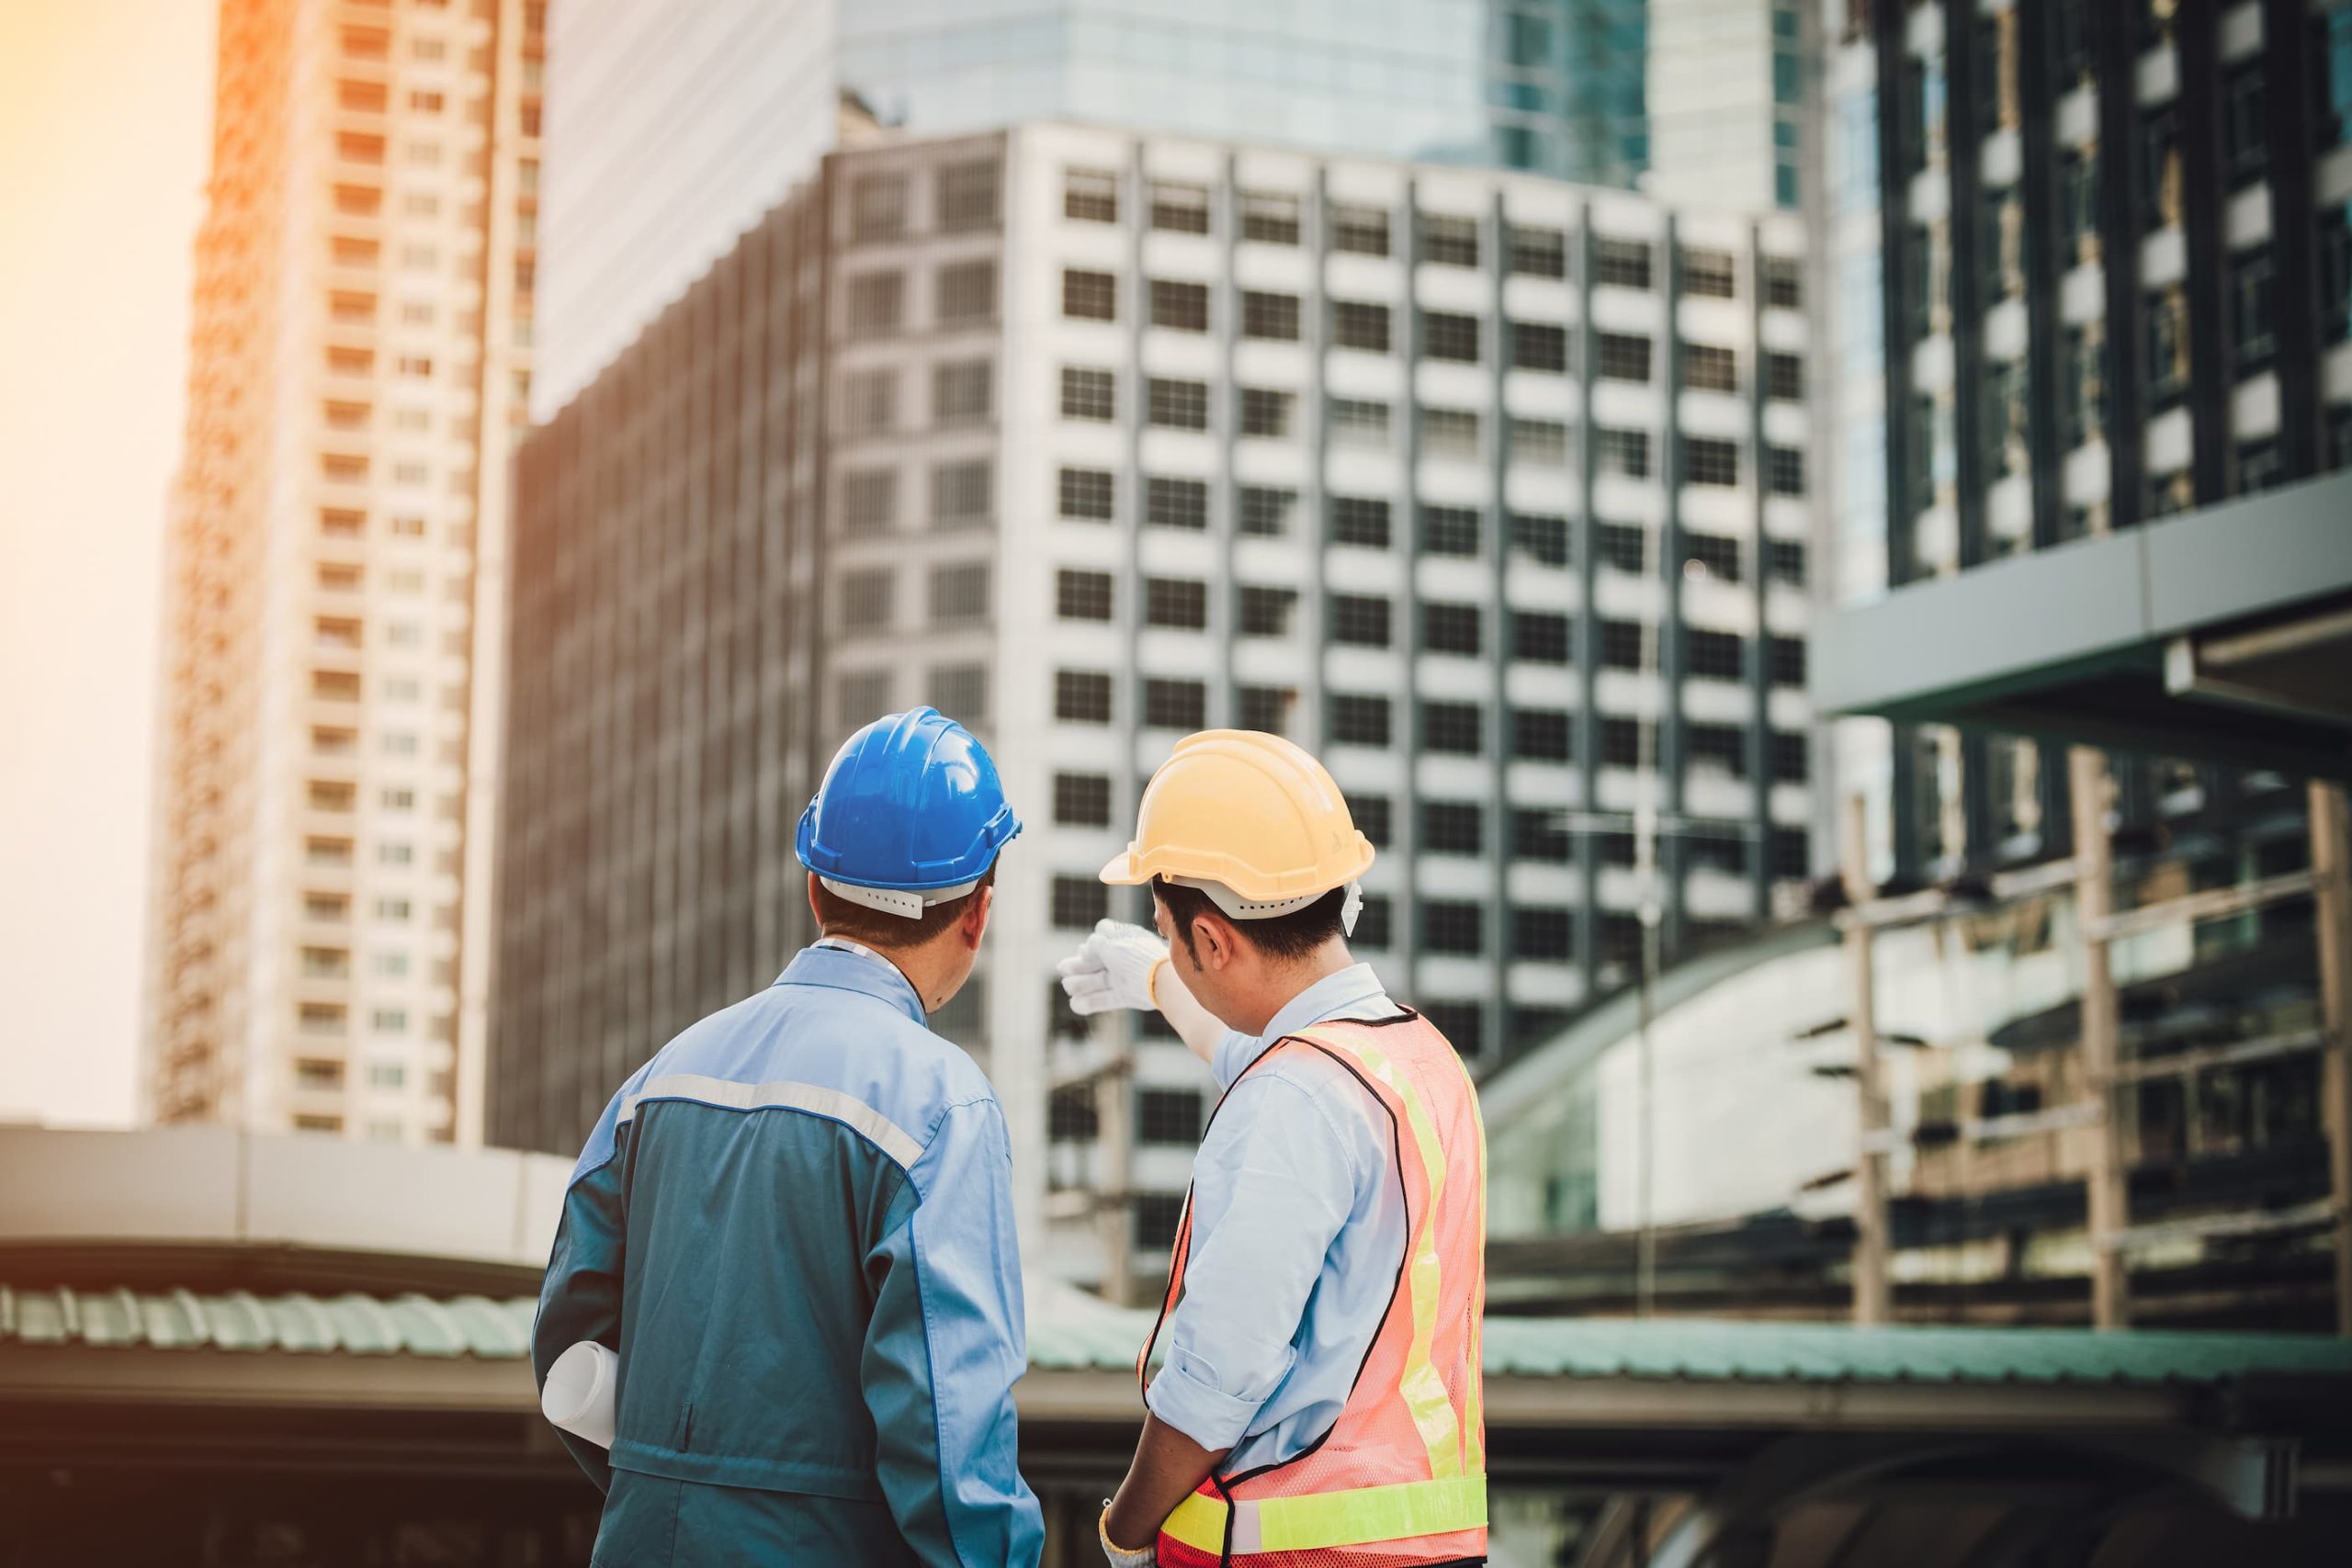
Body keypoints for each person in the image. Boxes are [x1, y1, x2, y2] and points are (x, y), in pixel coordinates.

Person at [533, 707, 1044, 1568]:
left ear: (815, 886)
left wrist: (671, 1482)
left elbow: (570, 1347)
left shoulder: (660, 1078)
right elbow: (950, 1432)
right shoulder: (941, 1108)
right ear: (978, 912)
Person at [1058, 729, 1488, 1568]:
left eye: (1173, 936)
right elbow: (1268, 1064)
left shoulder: (1296, 1095)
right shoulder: (1417, 1059)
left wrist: (1123, 1529)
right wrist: (1159, 979)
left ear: (1213, 940)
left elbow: (1215, 1383)